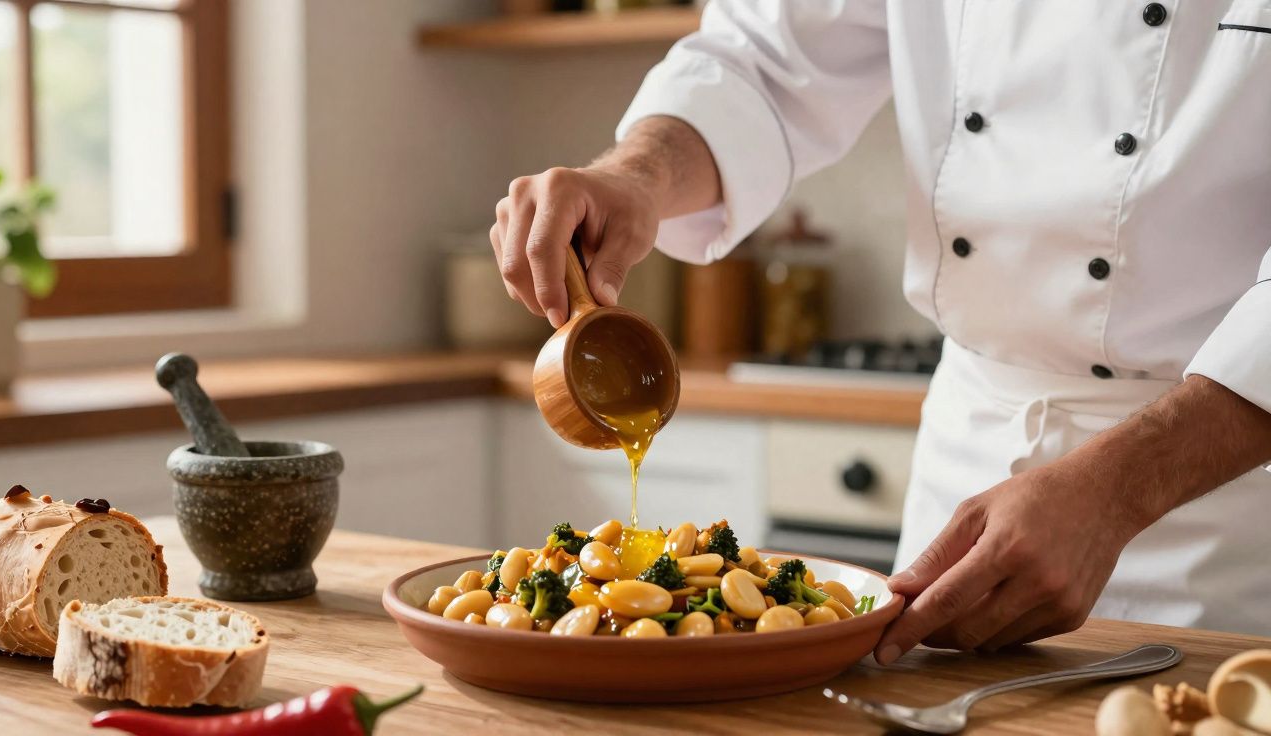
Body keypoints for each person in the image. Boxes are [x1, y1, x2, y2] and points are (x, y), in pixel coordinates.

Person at [488, 1, 1271, 662]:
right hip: (969, 462)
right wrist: (638, 175)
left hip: (1224, 494)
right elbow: (763, 57)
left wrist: (1120, 489)